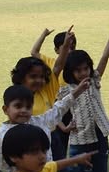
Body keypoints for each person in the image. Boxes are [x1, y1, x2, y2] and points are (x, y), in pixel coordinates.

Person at [59, 19, 109, 172]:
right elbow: (54, 111)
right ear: (70, 72)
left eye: (85, 69)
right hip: (79, 136)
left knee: (100, 168)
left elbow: (105, 57)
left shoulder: (94, 80)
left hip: (100, 132)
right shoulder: (66, 90)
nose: (82, 73)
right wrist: (63, 127)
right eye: (78, 70)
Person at [30, 26, 76, 159]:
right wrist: (44, 35)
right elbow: (34, 52)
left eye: (73, 47)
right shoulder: (50, 63)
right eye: (66, 47)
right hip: (58, 105)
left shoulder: (77, 64)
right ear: (56, 50)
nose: (70, 50)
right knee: (60, 141)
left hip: (73, 104)